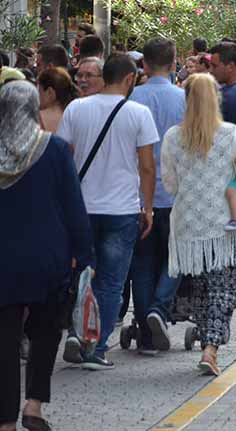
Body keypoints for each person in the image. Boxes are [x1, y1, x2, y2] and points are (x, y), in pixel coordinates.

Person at [0, 82, 94, 431]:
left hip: (3, 262)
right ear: (32, 110)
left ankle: (4, 421)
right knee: (44, 331)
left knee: (4, 342)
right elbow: (73, 206)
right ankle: (34, 405)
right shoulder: (52, 149)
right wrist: (86, 255)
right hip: (48, 258)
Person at [56, 53, 159, 369]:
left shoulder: (76, 108)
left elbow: (64, 156)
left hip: (81, 208)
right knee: (111, 282)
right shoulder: (139, 113)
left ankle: (76, 333)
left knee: (82, 275)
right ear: (129, 79)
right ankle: (96, 347)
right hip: (121, 210)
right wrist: (149, 207)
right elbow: (147, 167)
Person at [160, 74, 236, 376]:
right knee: (224, 291)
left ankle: (207, 337)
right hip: (226, 228)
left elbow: (170, 185)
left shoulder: (172, 138)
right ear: (217, 99)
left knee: (200, 292)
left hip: (189, 227)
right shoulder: (233, 135)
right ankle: (211, 348)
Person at [122, 38, 188, 356]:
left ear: (144, 65)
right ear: (174, 63)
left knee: (143, 264)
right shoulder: (184, 99)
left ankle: (147, 336)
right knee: (175, 258)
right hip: (176, 195)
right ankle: (159, 311)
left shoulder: (131, 98)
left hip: (139, 196)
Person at [37, 67, 78, 133]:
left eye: (39, 91)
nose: (38, 96)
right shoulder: (75, 116)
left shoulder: (35, 118)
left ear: (50, 93)